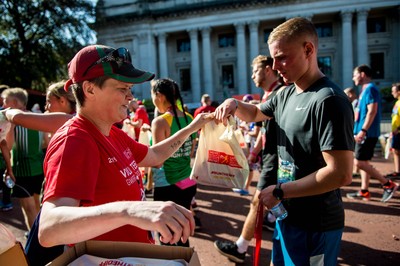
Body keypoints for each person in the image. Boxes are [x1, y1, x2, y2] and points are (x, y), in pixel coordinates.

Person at [37, 45, 212, 251]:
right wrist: (130, 211)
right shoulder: (75, 140)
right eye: (123, 89)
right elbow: (49, 229)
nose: (130, 97)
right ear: (90, 89)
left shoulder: (113, 132)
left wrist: (192, 127)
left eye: (130, 89)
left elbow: (154, 155)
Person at [214, 17, 354, 265]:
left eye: (282, 57)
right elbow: (256, 112)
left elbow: (340, 173)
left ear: (308, 50)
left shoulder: (329, 100)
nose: (275, 66)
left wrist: (280, 190)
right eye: (273, 58)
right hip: (286, 214)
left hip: (316, 224)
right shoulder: (286, 92)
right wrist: (234, 104)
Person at [214, 55, 283, 263]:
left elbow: (258, 120)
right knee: (267, 201)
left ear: (268, 70)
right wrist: (254, 154)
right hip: (271, 157)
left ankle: (240, 248)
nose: (252, 75)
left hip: (278, 159)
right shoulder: (269, 95)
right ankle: (270, 222)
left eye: (255, 71)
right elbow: (264, 130)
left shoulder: (279, 94)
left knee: (257, 202)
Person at [150, 78, 199, 246]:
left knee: (166, 237)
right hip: (187, 181)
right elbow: (191, 152)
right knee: (183, 234)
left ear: (159, 96)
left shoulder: (160, 121)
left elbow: (157, 161)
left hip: (167, 184)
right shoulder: (189, 117)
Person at [346, 64, 399, 202]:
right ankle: (364, 191)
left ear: (362, 74)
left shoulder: (370, 89)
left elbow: (372, 111)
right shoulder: (365, 90)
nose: (353, 78)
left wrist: (363, 130)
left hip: (367, 133)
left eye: (355, 74)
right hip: (364, 132)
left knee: (359, 163)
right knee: (364, 162)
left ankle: (388, 184)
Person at [1, 88, 46, 232]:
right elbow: (45, 143)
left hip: (21, 170)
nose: (3, 105)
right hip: (39, 168)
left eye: (5, 101)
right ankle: (42, 238)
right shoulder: (38, 117)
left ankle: (36, 244)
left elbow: (6, 146)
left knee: (29, 209)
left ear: (13, 102)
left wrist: (9, 169)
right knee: (38, 208)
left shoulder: (10, 121)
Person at [386, 82, 400, 178]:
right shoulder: (397, 102)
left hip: (398, 131)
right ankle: (397, 171)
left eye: (393, 91)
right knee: (396, 151)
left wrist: (398, 129)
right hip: (396, 132)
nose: (392, 93)